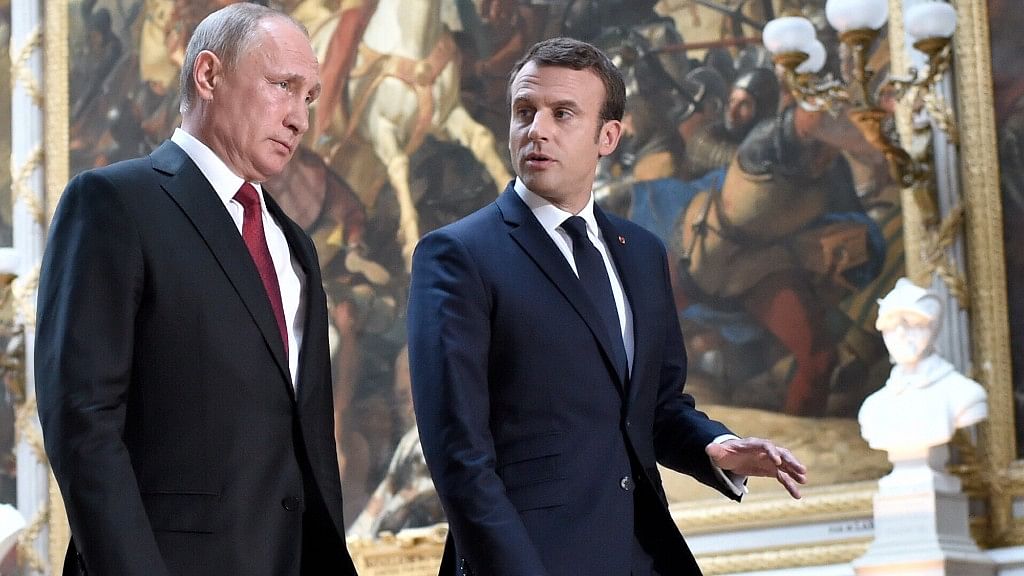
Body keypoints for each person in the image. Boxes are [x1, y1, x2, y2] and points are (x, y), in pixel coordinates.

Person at [407, 37, 807, 576]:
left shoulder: (642, 254)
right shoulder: (458, 255)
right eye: (524, 112)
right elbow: (459, 460)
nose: (537, 129)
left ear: (608, 136)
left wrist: (715, 446)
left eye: (562, 113)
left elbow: (657, 409)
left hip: (644, 556)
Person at [35, 4, 359, 575]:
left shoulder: (294, 244)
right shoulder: (114, 202)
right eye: (283, 86)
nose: (300, 119)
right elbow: (82, 421)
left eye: (308, 97)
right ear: (208, 76)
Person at [858, 278, 988, 458]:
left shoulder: (965, 394)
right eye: (891, 326)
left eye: (912, 323)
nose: (901, 333)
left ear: (933, 328)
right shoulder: (873, 409)